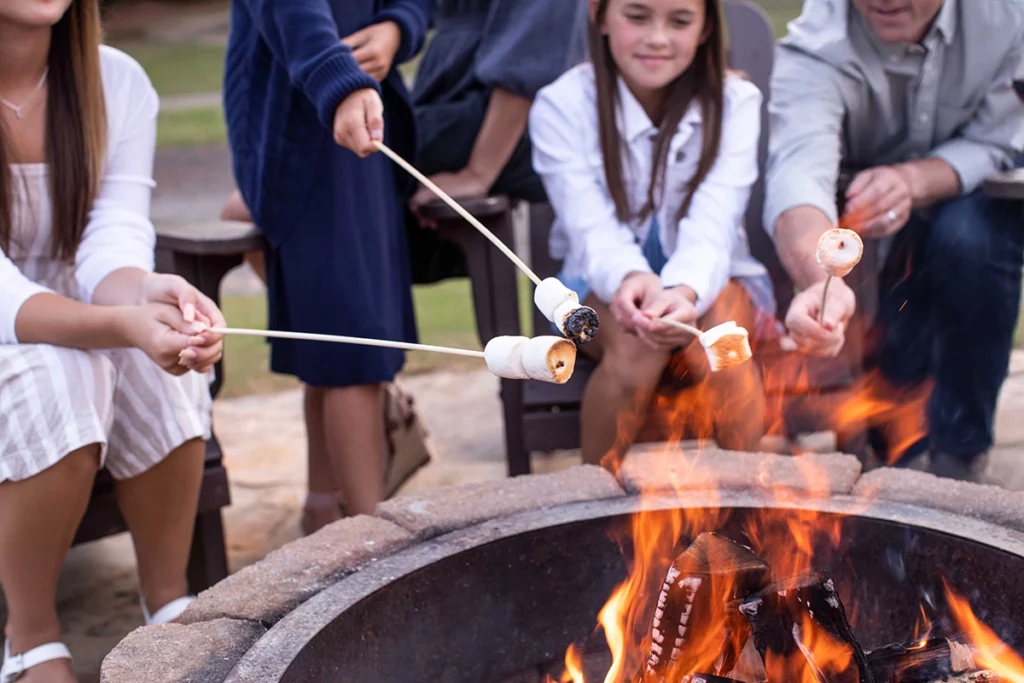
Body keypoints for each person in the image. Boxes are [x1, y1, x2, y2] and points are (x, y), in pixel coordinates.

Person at [0, 1, 226, 680]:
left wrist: (147, 296)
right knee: (64, 373)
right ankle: (30, 636)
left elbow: (113, 238)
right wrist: (116, 326)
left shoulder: (116, 82)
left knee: (164, 360)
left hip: (76, 309)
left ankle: (168, 605)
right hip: (12, 328)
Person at [763, 0, 1024, 481]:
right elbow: (797, 175)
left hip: (972, 205)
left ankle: (961, 454)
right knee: (897, 385)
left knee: (971, 235)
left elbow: (1004, 141)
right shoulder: (816, 48)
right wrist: (827, 280)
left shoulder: (1008, 19)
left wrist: (916, 180)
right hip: (867, 227)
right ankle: (898, 451)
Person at [528, 0, 774, 469]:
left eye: (679, 21)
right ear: (600, 15)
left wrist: (685, 290)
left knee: (722, 343)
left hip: (714, 277)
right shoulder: (560, 106)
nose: (658, 37)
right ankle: (597, 503)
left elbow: (715, 217)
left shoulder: (736, 102)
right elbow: (589, 224)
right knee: (635, 345)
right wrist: (630, 279)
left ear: (704, 29)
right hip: (602, 282)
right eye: (637, 17)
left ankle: (753, 506)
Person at [223, 0, 431, 533]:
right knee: (353, 349)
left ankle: (323, 509)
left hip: (362, 114)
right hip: (303, 121)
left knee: (344, 341)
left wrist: (396, 29)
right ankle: (368, 545)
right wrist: (339, 81)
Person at [402, 0, 589, 284]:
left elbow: (530, 50)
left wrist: (479, 172)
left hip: (497, 115)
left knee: (352, 148)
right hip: (456, 90)